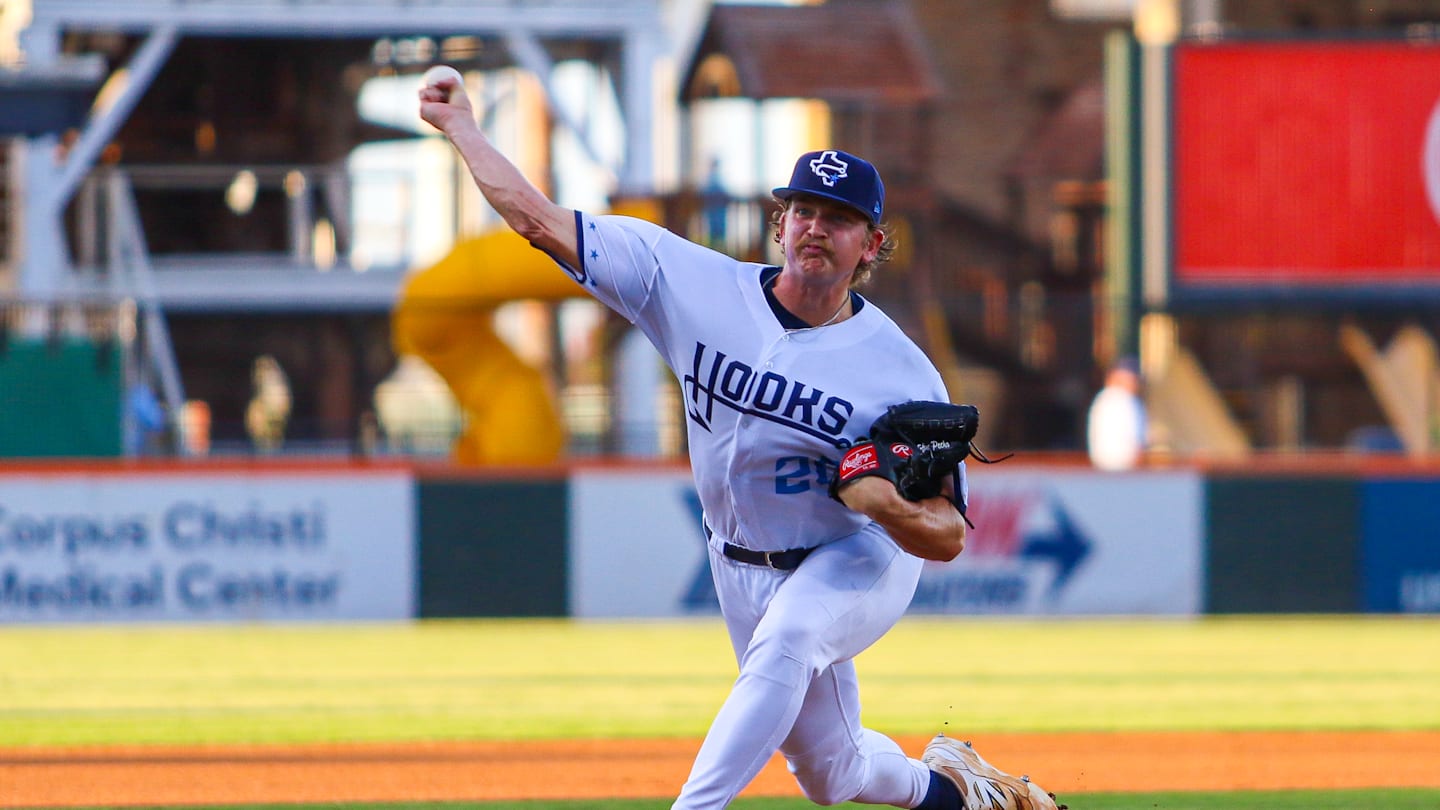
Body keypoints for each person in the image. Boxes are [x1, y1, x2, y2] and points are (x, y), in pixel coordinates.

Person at [419, 71, 1061, 810]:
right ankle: (964, 792)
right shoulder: (690, 284)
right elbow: (537, 220)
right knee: (834, 776)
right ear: (779, 223)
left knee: (790, 640)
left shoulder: (902, 373)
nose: (816, 227)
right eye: (804, 210)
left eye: (840, 218)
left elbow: (947, 536)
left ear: (872, 245)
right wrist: (463, 128)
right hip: (736, 560)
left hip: (853, 554)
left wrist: (886, 506)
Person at [1086, 357, 1147, 471]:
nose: (1135, 383)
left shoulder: (1102, 398)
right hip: (1123, 469)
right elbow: (1135, 444)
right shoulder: (1122, 399)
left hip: (1102, 468)